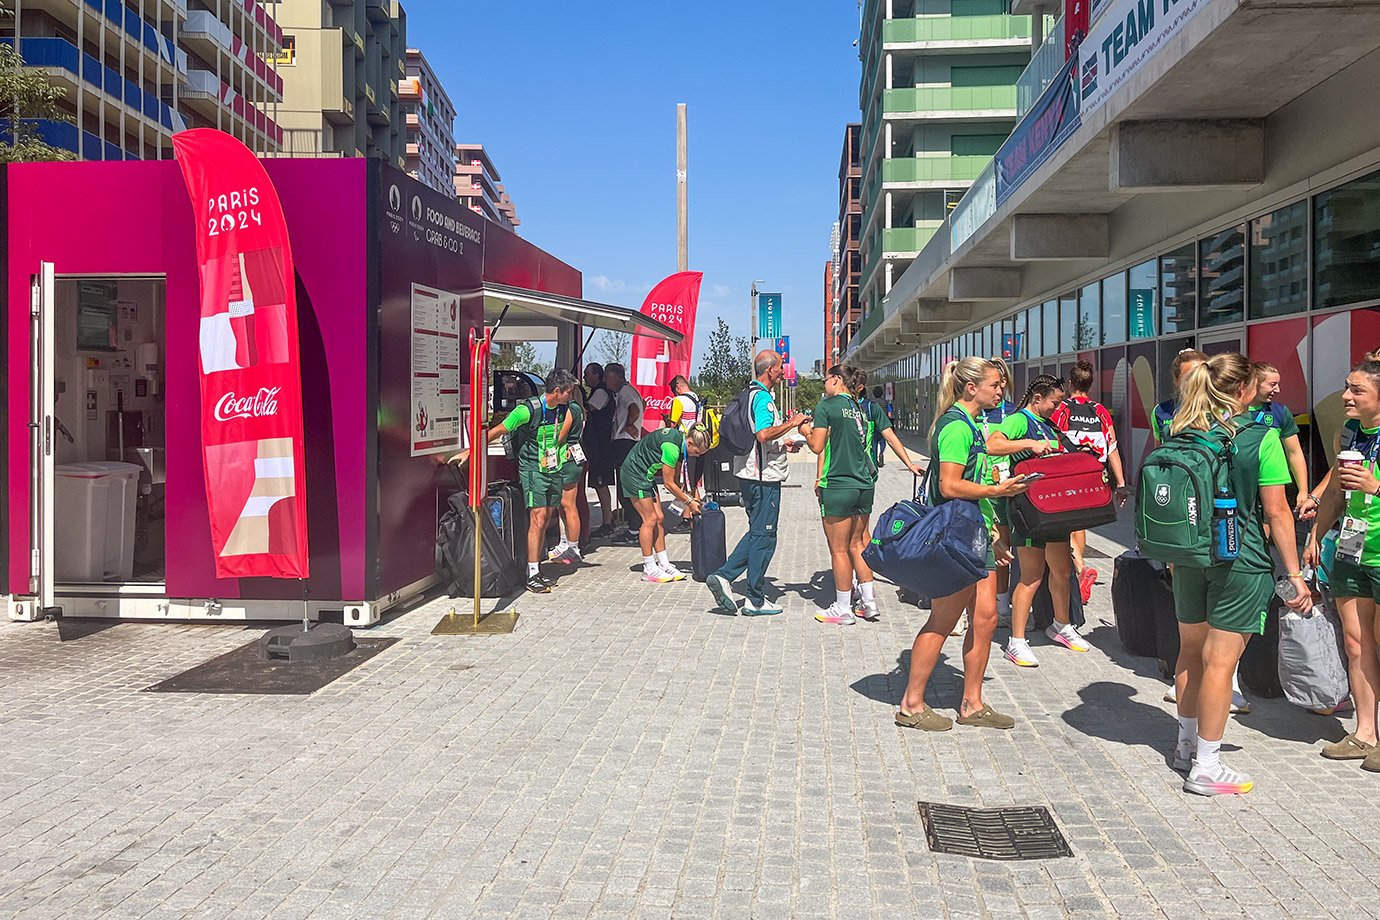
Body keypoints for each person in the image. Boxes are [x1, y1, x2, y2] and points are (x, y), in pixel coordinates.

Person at [1165, 353, 1309, 796]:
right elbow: (1278, 511)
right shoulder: (1261, 437)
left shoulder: (1183, 431)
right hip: (1241, 560)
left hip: (1189, 558)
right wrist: (1295, 574)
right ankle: (1208, 765)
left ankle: (1185, 746)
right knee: (1221, 663)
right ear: (1245, 390)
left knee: (1191, 652)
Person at [896, 358, 1030, 731]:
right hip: (955, 537)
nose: (1001, 391)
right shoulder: (955, 427)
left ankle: (972, 703)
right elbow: (949, 486)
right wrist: (997, 489)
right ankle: (911, 703)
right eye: (995, 385)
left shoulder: (971, 423)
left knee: (985, 619)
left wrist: (992, 532)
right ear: (972, 388)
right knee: (944, 619)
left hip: (975, 532)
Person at [987, 374, 1090, 667]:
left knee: (1061, 570)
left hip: (1053, 509)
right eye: (1054, 402)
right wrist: (1030, 443)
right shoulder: (1020, 420)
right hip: (1027, 510)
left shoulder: (1051, 425)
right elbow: (992, 445)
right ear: (1037, 398)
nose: (1057, 408)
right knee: (1031, 576)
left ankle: (1061, 625)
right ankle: (1016, 642)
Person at [1307, 359, 1380, 771]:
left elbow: (1367, 486)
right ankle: (1365, 733)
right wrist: (1317, 534)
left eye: (1357, 391)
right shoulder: (1351, 431)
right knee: (1356, 642)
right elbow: (1336, 489)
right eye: (1347, 387)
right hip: (1353, 545)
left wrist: (1377, 486)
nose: (1347, 397)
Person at [809, 366, 922, 625]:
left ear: (837, 380)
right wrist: (908, 464)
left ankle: (842, 607)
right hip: (864, 485)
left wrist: (805, 432)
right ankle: (868, 602)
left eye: (826, 379)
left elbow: (817, 446)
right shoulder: (863, 409)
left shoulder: (827, 406)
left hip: (838, 484)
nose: (824, 384)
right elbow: (889, 436)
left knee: (838, 550)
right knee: (858, 543)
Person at [450, 369, 580, 594]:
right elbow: (496, 431)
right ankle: (532, 573)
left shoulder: (566, 408)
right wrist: (470, 453)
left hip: (553, 468)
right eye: (569, 392)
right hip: (533, 469)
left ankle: (534, 565)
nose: (572, 395)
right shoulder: (527, 410)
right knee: (538, 517)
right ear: (557, 391)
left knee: (547, 515)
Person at [705, 351, 809, 616]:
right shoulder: (762, 398)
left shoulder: (749, 393)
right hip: (763, 476)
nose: (784, 371)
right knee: (765, 536)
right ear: (770, 370)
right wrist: (792, 424)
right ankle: (754, 597)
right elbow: (762, 434)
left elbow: (760, 437)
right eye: (781, 367)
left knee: (757, 533)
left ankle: (726, 578)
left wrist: (783, 443)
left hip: (750, 473)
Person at [1051, 360, 1130, 602]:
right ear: (1090, 384)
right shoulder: (1100, 411)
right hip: (1093, 479)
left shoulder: (1062, 410)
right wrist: (1121, 484)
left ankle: (1079, 569)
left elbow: (1053, 443)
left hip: (1067, 477)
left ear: (1070, 383)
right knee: (1080, 526)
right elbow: (1113, 449)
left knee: (1065, 527)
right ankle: (1079, 572)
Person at [619, 425, 712, 583]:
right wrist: (688, 502)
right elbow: (669, 484)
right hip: (634, 473)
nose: (696, 457)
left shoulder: (680, 443)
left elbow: (676, 481)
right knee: (650, 519)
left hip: (646, 476)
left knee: (660, 518)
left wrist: (689, 497)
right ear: (689, 443)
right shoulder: (671, 448)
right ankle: (648, 568)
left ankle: (663, 563)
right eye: (696, 452)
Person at [1250, 362, 1312, 517]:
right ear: (1254, 383)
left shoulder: (1280, 412)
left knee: (1269, 523)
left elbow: (1294, 453)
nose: (1277, 390)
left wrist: (1303, 491)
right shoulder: (1230, 411)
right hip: (1239, 486)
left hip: (1269, 485)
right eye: (1272, 384)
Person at [606, 363, 645, 544]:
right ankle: (635, 526)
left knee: (624, 488)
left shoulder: (625, 392)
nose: (605, 380)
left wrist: (629, 425)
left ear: (615, 376)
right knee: (624, 488)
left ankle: (634, 529)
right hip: (625, 442)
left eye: (607, 376)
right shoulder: (628, 391)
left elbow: (635, 408)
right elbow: (641, 404)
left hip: (624, 442)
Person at [548, 381, 585, 565]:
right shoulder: (577, 408)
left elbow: (561, 434)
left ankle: (573, 547)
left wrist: (550, 444)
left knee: (568, 505)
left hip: (568, 458)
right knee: (563, 505)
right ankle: (565, 543)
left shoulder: (572, 408)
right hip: (572, 456)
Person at [582, 363, 618, 536]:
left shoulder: (601, 392)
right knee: (598, 483)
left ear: (596, 375)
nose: (584, 377)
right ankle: (608, 519)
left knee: (600, 483)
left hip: (601, 446)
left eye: (587, 374)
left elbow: (587, 410)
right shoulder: (599, 391)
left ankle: (607, 522)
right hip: (598, 445)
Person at [1153, 349, 1208, 442]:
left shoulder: (1224, 409)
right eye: (1189, 376)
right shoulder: (1161, 410)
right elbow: (1160, 451)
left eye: (1202, 375)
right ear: (1177, 380)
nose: (1197, 381)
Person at [667, 375, 706, 494]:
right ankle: (696, 509)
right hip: (699, 441)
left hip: (685, 444)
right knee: (693, 482)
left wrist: (666, 420)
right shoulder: (697, 398)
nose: (674, 394)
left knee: (682, 480)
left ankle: (687, 510)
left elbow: (673, 425)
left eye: (674, 391)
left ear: (678, 387)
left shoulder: (679, 400)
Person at [868, 386, 892, 469]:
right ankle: (881, 452)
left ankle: (874, 460)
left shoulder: (872, 403)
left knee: (874, 443)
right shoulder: (886, 402)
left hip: (874, 426)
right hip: (882, 426)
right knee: (882, 442)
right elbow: (889, 414)